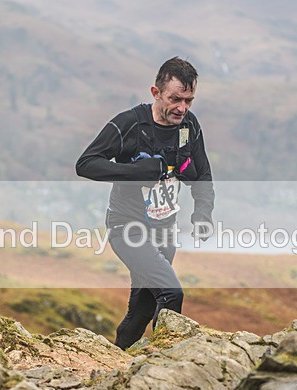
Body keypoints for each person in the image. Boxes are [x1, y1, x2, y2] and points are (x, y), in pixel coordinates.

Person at [76, 57, 215, 350]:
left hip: (165, 230)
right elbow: (86, 164)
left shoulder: (188, 126)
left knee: (141, 311)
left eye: (189, 100)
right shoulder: (129, 124)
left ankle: (117, 359)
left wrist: (203, 212)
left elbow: (202, 173)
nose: (182, 108)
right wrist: (133, 173)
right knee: (171, 293)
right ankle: (168, 362)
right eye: (175, 99)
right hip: (128, 228)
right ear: (156, 92)